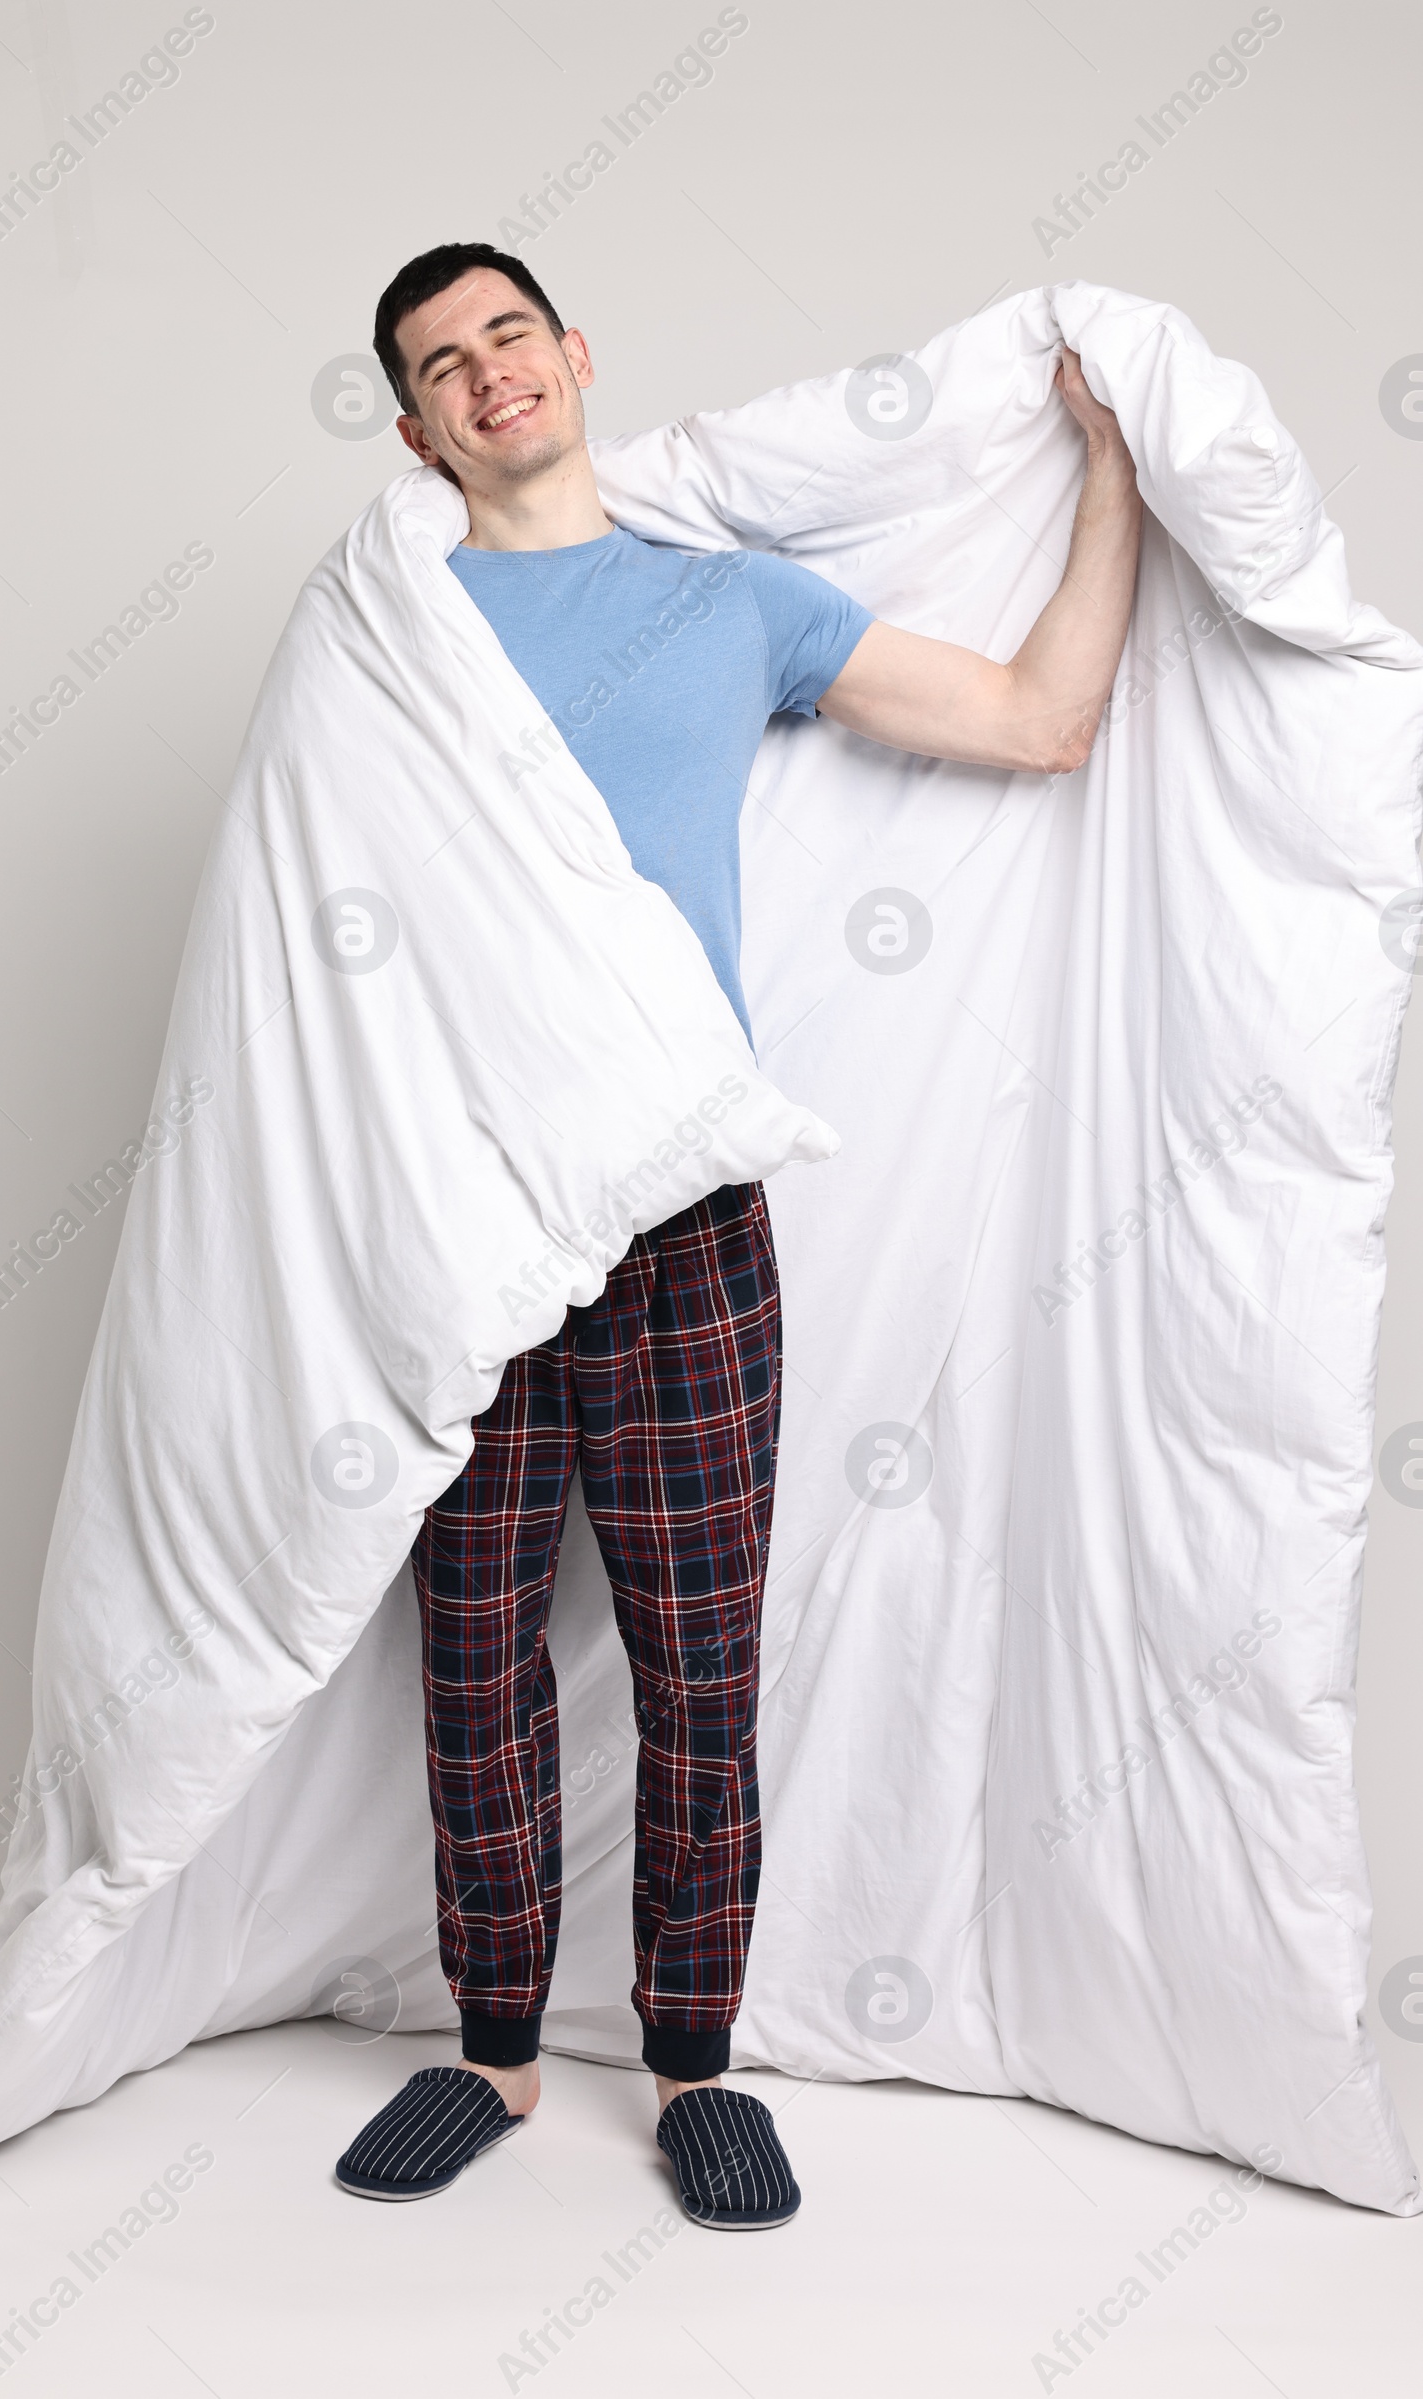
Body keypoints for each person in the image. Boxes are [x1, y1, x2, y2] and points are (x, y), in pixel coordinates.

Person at [332, 242, 1141, 2227]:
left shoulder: (725, 603)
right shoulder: (389, 634)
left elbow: (1037, 721)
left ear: (573, 357)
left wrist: (1114, 476)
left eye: (509, 334)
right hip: (470, 1211)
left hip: (680, 1205)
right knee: (472, 1658)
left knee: (702, 1665)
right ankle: (496, 2052)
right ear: (413, 424)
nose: (487, 374)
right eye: (442, 364)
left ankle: (693, 2065)